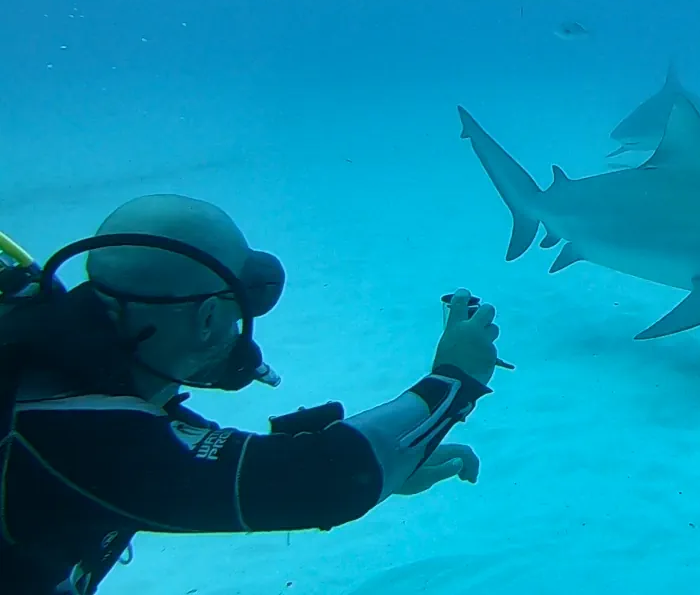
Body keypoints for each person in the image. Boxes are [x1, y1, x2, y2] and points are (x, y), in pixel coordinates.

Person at [0, 193, 508, 595]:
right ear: (205, 318)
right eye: (241, 306)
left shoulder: (54, 368)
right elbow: (321, 483)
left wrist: (390, 459)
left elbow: (174, 451)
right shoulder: (64, 433)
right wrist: (454, 380)